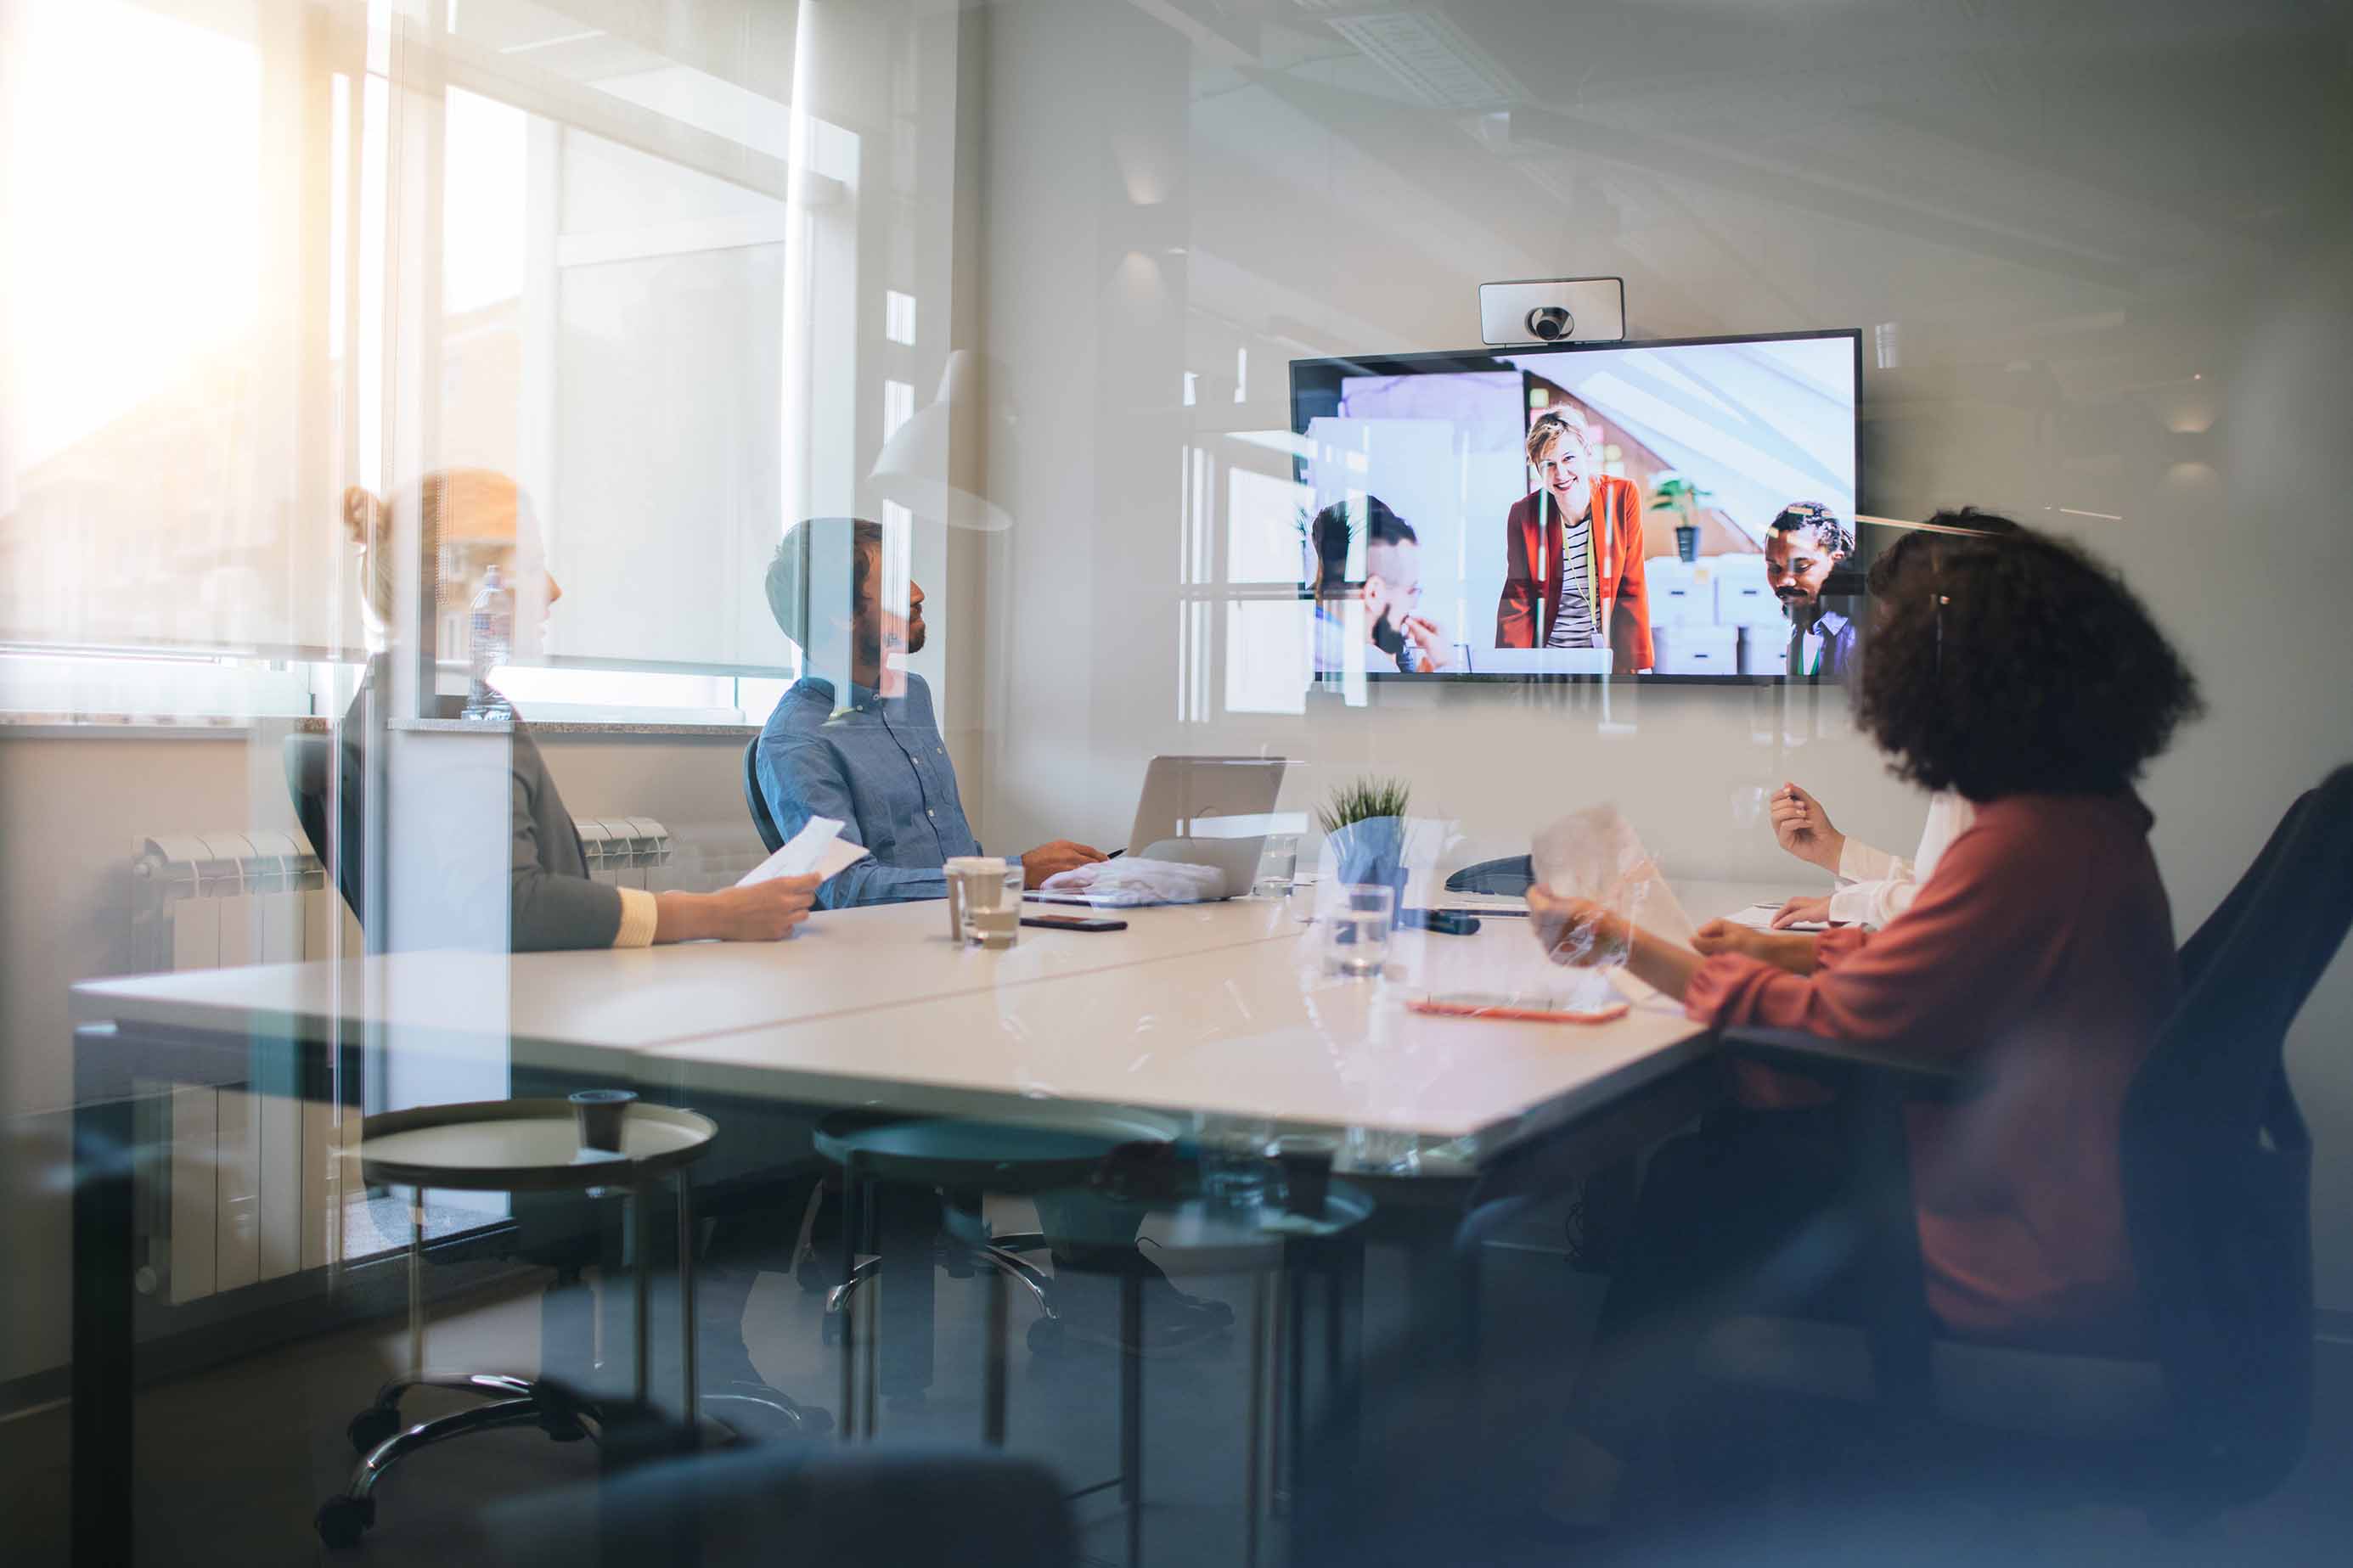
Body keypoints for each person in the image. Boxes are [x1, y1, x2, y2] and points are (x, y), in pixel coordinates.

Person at [1525, 516, 2200, 1526]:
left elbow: (1838, 1028)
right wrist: (1776, 948)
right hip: (2042, 1193)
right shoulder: (2077, 819)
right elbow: (1943, 971)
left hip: (2004, 1245)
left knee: (1704, 1179)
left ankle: (1591, 1493)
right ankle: (1629, 1464)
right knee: (1730, 1167)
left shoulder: (2025, 843)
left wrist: (1623, 943)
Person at [339, 470, 822, 1432]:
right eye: (531, 567)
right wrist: (713, 913)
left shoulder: (439, 697)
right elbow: (512, 907)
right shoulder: (438, 707)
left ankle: (677, 1356)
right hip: (510, 1082)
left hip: (501, 1047)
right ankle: (691, 1356)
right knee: (792, 1099)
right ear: (457, 583)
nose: (552, 593)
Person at [755, 515, 1103, 908]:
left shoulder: (912, 695)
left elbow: (951, 857)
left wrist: (1041, 881)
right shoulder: (796, 739)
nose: (918, 593)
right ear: (842, 613)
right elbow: (846, 888)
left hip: (964, 930)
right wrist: (1015, 874)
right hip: (888, 954)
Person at [1763, 513, 2020, 927]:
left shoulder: (1995, 757)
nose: (1890, 654)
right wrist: (1833, 850)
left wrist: (1842, 910)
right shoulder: (2014, 738)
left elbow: (1952, 916)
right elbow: (1946, 887)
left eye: (1902, 633)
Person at [1495, 408, 1653, 673]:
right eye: (1549, 465)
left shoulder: (1622, 496)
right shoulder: (1523, 515)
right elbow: (1517, 599)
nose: (1561, 474)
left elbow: (1632, 586)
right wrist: (1512, 672)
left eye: (1569, 458)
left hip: (1606, 658)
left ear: (1587, 452)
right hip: (1551, 659)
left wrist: (1638, 666)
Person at [1307, 495, 1454, 673]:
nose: (1413, 604)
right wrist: (1443, 664)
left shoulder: (1307, 627)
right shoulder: (1365, 663)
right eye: (1410, 590)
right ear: (1374, 593)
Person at [1762, 500, 1857, 678]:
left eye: (1801, 567)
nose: (1783, 581)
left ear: (1837, 562)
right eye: (1775, 569)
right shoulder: (1802, 627)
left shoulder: (1855, 640)